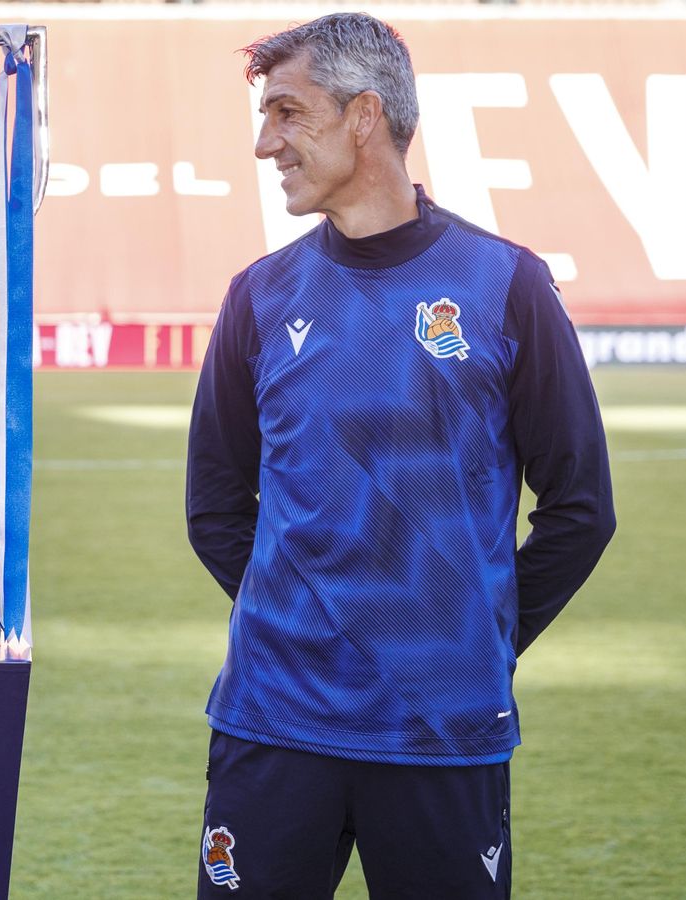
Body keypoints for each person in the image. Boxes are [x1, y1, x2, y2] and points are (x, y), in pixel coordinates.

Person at [186, 14, 615, 899]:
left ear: (363, 116)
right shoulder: (259, 297)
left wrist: (477, 638)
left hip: (441, 730)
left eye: (287, 113)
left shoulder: (505, 285)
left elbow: (581, 508)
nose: (267, 143)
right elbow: (215, 508)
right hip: (274, 722)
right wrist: (310, 619)